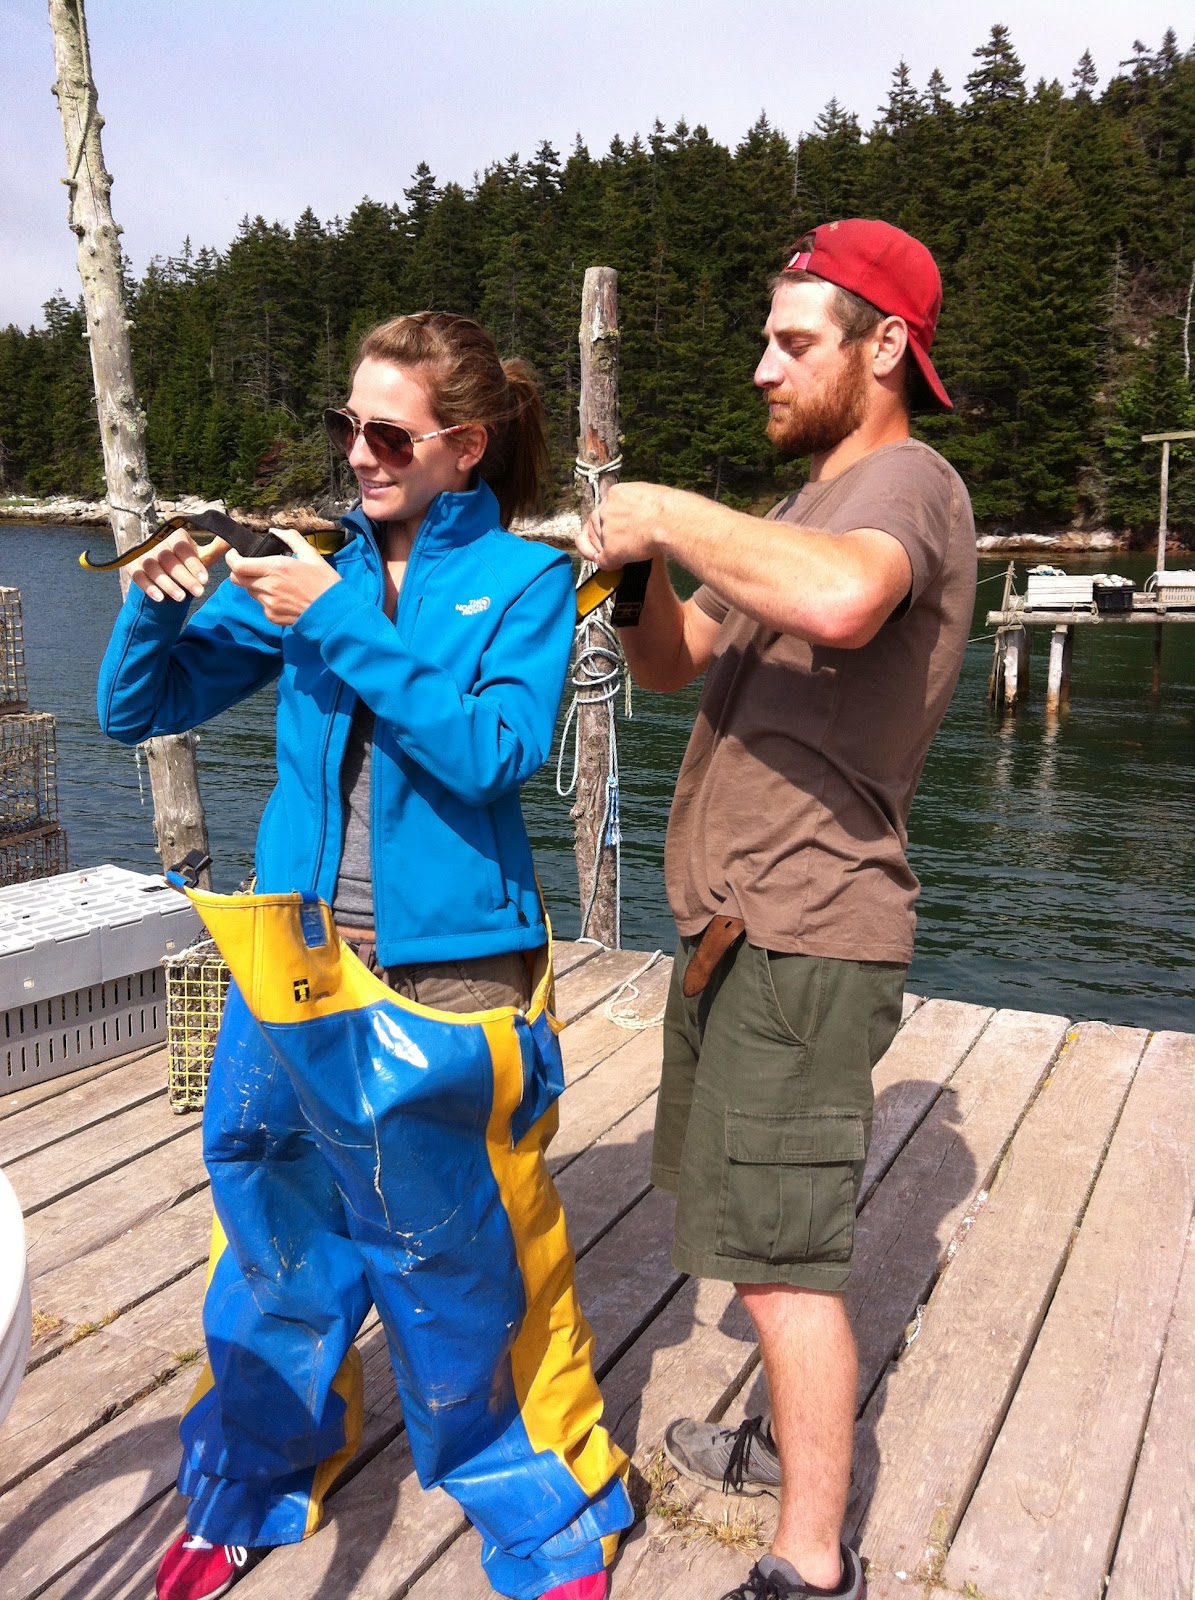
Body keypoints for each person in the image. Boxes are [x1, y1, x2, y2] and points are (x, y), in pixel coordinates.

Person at [97, 311, 634, 1600]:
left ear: (465, 445)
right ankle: (255, 1480)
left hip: (451, 971)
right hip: (289, 948)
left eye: (387, 433)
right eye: (348, 426)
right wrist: (150, 611)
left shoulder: (525, 582)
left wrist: (339, 619)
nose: (359, 453)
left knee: (464, 1260)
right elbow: (140, 709)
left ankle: (550, 1514)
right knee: (273, 1221)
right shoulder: (306, 567)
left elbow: (494, 755)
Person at [574, 220, 977, 1600]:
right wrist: (631, 575)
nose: (761, 368)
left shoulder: (907, 487)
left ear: (885, 350)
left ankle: (810, 1561)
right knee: (755, 1239)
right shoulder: (806, 510)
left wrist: (667, 509)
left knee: (786, 1266)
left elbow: (854, 604)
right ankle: (783, 1457)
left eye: (791, 341)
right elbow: (679, 666)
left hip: (812, 932)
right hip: (741, 932)